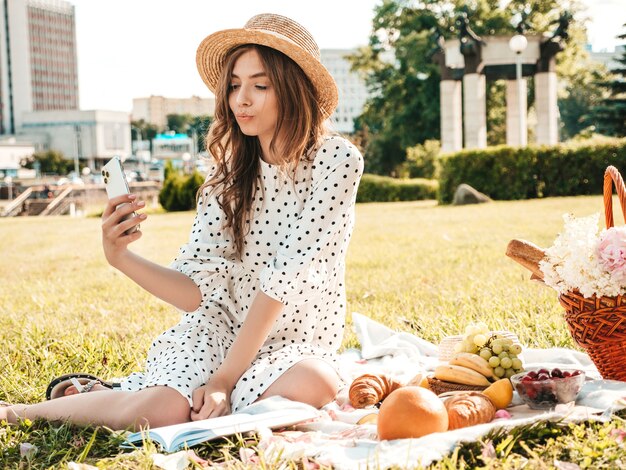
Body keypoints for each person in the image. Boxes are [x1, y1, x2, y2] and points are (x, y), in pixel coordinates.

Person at [0, 13, 363, 431]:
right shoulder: (227, 174)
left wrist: (225, 379)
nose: (241, 99)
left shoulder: (336, 162)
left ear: (293, 89)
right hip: (220, 329)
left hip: (294, 343)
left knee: (314, 382)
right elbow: (197, 293)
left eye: (260, 86)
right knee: (164, 413)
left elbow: (281, 282)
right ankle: (18, 413)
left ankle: (123, 393)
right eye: (234, 85)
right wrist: (120, 256)